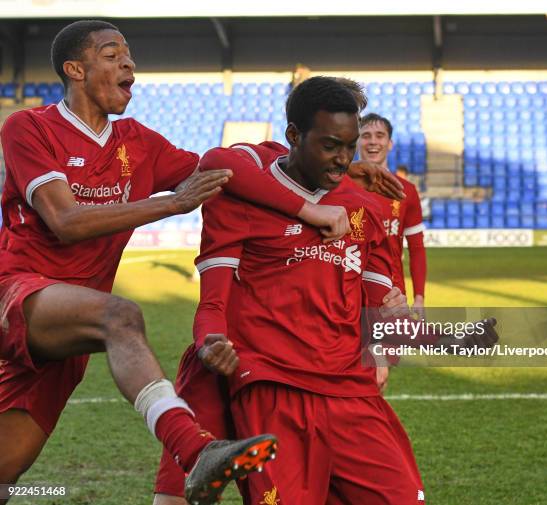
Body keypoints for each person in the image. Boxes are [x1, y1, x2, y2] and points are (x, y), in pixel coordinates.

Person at [0, 20, 370, 505]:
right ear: (75, 69)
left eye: (129, 54)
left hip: (64, 338)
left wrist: (326, 166)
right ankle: (196, 452)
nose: (129, 63)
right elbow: (65, 220)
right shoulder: (28, 126)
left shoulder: (139, 142)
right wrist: (171, 204)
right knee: (121, 315)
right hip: (17, 293)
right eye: (112, 55)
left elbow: (223, 169)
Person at [154, 77, 427, 505]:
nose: (342, 159)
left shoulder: (364, 210)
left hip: (346, 390)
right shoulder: (244, 190)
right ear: (294, 136)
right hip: (269, 381)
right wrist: (210, 342)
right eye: (330, 145)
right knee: (175, 498)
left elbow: (379, 307)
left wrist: (386, 332)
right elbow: (212, 302)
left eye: (350, 146)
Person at [358, 113, 427, 312]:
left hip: (393, 295)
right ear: (356, 141)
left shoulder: (406, 190)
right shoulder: (339, 188)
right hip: (349, 290)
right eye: (366, 135)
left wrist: (419, 297)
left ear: (390, 143)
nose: (373, 141)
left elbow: (416, 248)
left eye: (379, 135)